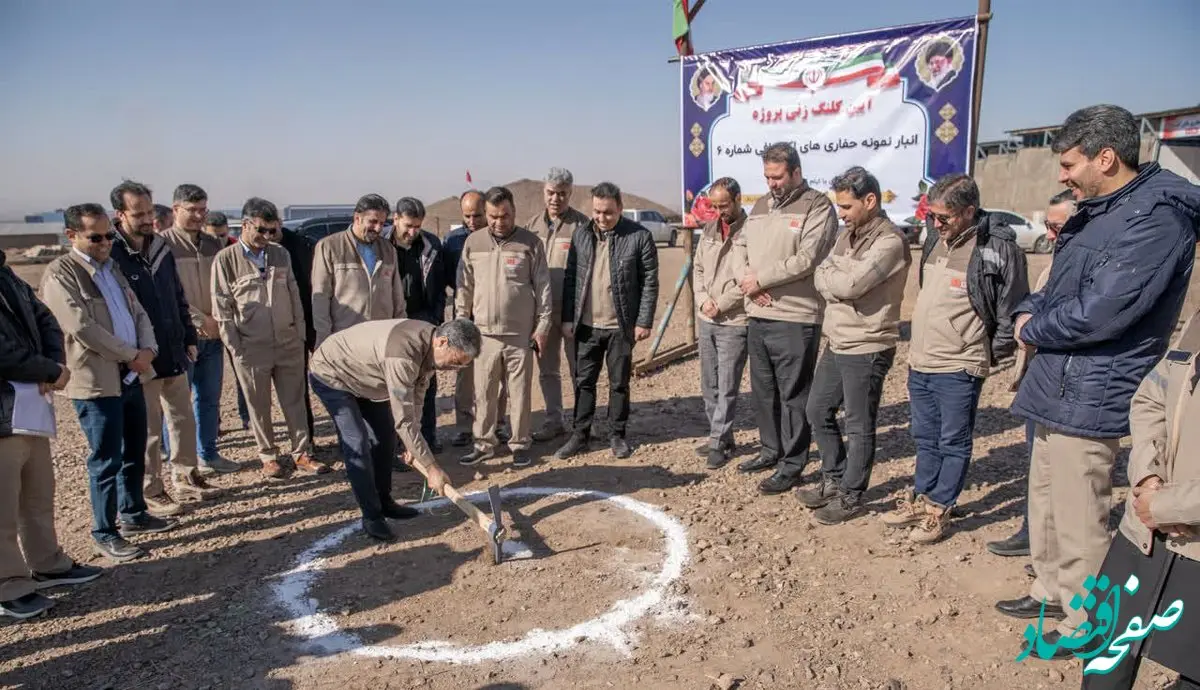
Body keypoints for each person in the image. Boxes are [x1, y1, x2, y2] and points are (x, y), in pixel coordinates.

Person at [997, 105, 1200, 649]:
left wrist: (1034, 327)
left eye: (1069, 164)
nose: (1062, 175)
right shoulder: (1100, 211)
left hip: (1092, 388)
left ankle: (1087, 623)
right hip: (1057, 381)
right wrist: (1028, 314)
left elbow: (1102, 312)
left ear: (1105, 158)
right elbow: (1054, 289)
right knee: (1044, 500)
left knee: (1079, 512)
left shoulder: (1156, 218)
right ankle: (1051, 591)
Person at [882, 174, 1028, 543]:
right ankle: (921, 496)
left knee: (953, 440)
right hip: (922, 360)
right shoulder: (934, 239)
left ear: (969, 211)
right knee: (925, 436)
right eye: (931, 216)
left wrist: (987, 354)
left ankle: (939, 508)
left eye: (944, 217)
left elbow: (1012, 309)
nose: (935, 224)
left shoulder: (998, 249)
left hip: (960, 365)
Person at [41, 204, 176, 562]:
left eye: (109, 236)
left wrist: (148, 348)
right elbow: (82, 327)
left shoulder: (110, 269)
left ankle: (133, 513)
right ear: (72, 236)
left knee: (134, 450)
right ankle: (105, 530)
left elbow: (138, 312)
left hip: (131, 376)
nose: (105, 243)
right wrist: (129, 354)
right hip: (97, 383)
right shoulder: (61, 274)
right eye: (95, 237)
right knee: (106, 458)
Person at [1076, 310, 1200, 689]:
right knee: (1104, 652)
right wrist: (1148, 477)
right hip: (1143, 533)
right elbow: (1152, 395)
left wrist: (1170, 506)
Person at [800, 166, 910, 524]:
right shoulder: (848, 236)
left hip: (868, 344)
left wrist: (835, 281)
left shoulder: (889, 241)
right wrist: (836, 280)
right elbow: (821, 272)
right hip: (839, 340)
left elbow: (849, 287)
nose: (841, 214)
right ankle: (833, 479)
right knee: (817, 410)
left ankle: (851, 495)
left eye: (846, 207)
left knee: (859, 425)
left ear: (870, 200)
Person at [0, 247, 103, 620]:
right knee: (3, 507)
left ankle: (48, 563)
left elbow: (45, 318)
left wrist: (55, 364)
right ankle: (9, 585)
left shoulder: (8, 275)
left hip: (28, 407)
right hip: (5, 413)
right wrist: (45, 368)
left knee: (38, 494)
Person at [309, 318, 481, 541]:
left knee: (385, 437)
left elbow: (416, 401)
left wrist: (413, 445)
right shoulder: (403, 355)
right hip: (332, 374)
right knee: (358, 442)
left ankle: (385, 501)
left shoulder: (429, 349)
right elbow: (404, 421)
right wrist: (431, 468)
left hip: (368, 379)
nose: (453, 369)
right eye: (454, 362)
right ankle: (372, 516)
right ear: (442, 342)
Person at [109, 181, 220, 516]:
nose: (146, 219)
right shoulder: (113, 253)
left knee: (182, 417)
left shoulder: (158, 246)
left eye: (148, 211)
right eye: (138, 214)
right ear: (120, 214)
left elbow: (176, 295)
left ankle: (186, 477)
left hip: (173, 348)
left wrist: (188, 336)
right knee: (149, 427)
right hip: (141, 354)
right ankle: (151, 489)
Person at [733, 142, 838, 494]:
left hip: (795, 316)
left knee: (794, 394)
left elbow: (808, 258)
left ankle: (793, 464)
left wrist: (760, 280)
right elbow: (739, 246)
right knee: (764, 391)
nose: (772, 184)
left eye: (777, 177)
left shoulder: (817, 206)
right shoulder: (761, 205)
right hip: (758, 312)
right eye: (767, 177)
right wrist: (747, 282)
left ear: (796, 172)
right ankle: (770, 449)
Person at [211, 198, 328, 479]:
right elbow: (222, 309)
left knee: (296, 401)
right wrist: (236, 348)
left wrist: (299, 334)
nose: (267, 236)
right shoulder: (226, 260)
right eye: (261, 230)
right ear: (247, 224)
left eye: (272, 231)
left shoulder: (279, 255)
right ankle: (268, 456)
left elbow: (295, 297)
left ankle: (302, 453)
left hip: (288, 342)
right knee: (258, 404)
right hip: (251, 348)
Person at [986, 189, 1074, 558]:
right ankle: (1034, 534)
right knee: (1038, 467)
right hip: (1041, 378)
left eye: (1057, 226)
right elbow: (1034, 303)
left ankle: (1054, 552)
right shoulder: (1061, 256)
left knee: (1063, 476)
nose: (1050, 234)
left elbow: (1064, 319)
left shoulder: (1091, 260)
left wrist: (1030, 326)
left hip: (1067, 384)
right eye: (1048, 226)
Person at [555, 182, 659, 460]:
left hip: (620, 326)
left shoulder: (639, 236)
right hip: (587, 326)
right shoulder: (581, 235)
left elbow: (650, 282)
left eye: (608, 213)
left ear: (620, 209)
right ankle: (580, 434)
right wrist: (568, 318)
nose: (602, 218)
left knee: (618, 384)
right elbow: (571, 278)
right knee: (583, 381)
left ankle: (617, 434)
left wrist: (644, 320)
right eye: (597, 212)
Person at [455, 186, 552, 468]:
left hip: (520, 335)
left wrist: (542, 326)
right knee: (483, 392)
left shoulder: (531, 244)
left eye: (505, 216)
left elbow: (543, 288)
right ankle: (483, 444)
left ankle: (520, 443)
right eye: (494, 217)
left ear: (514, 212)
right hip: (483, 335)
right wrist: (462, 323)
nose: (499, 222)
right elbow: (464, 288)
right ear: (486, 214)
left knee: (519, 393)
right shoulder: (473, 243)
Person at [159, 184, 239, 474]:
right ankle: (182, 461)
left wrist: (220, 319)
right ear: (176, 209)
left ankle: (208, 453)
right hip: (183, 337)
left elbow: (225, 286)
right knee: (177, 405)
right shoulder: (161, 246)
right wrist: (198, 320)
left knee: (208, 398)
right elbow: (166, 294)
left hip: (214, 335)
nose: (198, 215)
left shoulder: (213, 244)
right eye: (191, 210)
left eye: (202, 209)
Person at [525, 167, 590, 443]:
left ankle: (582, 423)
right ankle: (554, 421)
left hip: (573, 311)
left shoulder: (583, 225)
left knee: (579, 368)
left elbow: (589, 270)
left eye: (562, 193)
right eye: (551, 193)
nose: (556, 199)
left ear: (570, 193)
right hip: (543, 311)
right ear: (544, 191)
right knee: (548, 369)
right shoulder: (531, 227)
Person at [691, 177, 749, 469]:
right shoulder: (709, 230)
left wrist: (722, 304)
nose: (718, 211)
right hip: (707, 316)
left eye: (723, 205)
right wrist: (703, 301)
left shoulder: (751, 232)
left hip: (734, 320)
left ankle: (717, 442)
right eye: (714, 206)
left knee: (727, 385)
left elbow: (750, 278)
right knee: (709, 384)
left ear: (738, 199)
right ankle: (722, 436)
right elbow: (698, 268)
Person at [443, 189, 508, 446]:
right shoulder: (453, 241)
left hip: (494, 317)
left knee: (497, 374)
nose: (472, 221)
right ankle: (463, 427)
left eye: (478, 215)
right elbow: (448, 277)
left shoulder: (500, 238)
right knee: (464, 375)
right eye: (467, 216)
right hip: (464, 317)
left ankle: (498, 423)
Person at [311, 193, 406, 350]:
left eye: (382, 223)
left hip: (380, 337)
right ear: (357, 218)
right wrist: (324, 338)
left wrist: (400, 331)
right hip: (345, 338)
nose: (378, 228)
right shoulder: (330, 247)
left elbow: (397, 297)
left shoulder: (388, 250)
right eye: (373, 222)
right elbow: (320, 297)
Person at [391, 197, 448, 451]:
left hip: (423, 322)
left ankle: (428, 438)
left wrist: (434, 318)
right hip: (391, 325)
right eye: (407, 225)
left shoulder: (430, 244)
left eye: (417, 226)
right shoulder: (382, 244)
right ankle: (398, 445)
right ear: (395, 219)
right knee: (395, 386)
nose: (412, 232)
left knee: (426, 383)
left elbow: (439, 287)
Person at [201, 212, 249, 430]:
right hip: (208, 322)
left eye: (222, 235)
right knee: (210, 381)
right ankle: (214, 422)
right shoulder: (199, 251)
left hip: (234, 320)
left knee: (242, 371)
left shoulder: (235, 249)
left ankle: (247, 416)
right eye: (214, 236)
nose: (219, 240)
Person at [278, 219, 320, 444]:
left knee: (337, 377)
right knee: (297, 385)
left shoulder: (303, 246)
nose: (267, 234)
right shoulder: (263, 252)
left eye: (271, 228)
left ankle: (351, 436)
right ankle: (307, 440)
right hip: (289, 326)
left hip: (315, 320)